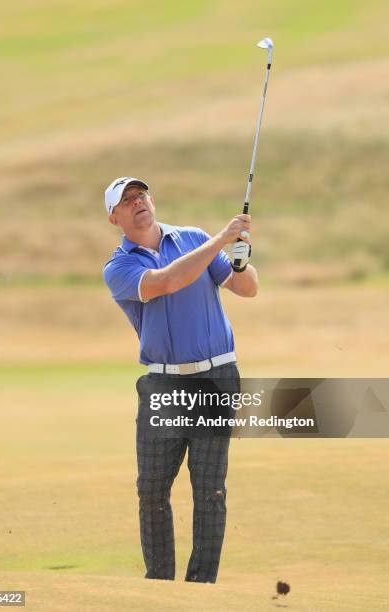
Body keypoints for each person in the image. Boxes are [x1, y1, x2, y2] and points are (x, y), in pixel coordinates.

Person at [103, 176, 258, 583]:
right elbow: (167, 282)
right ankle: (160, 587)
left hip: (216, 377)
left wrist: (240, 260)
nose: (138, 202)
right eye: (127, 201)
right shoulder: (119, 266)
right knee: (152, 490)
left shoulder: (193, 237)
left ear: (151, 200)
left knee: (210, 490)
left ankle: (200, 588)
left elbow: (247, 288)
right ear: (113, 217)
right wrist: (220, 240)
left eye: (141, 195)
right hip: (164, 385)